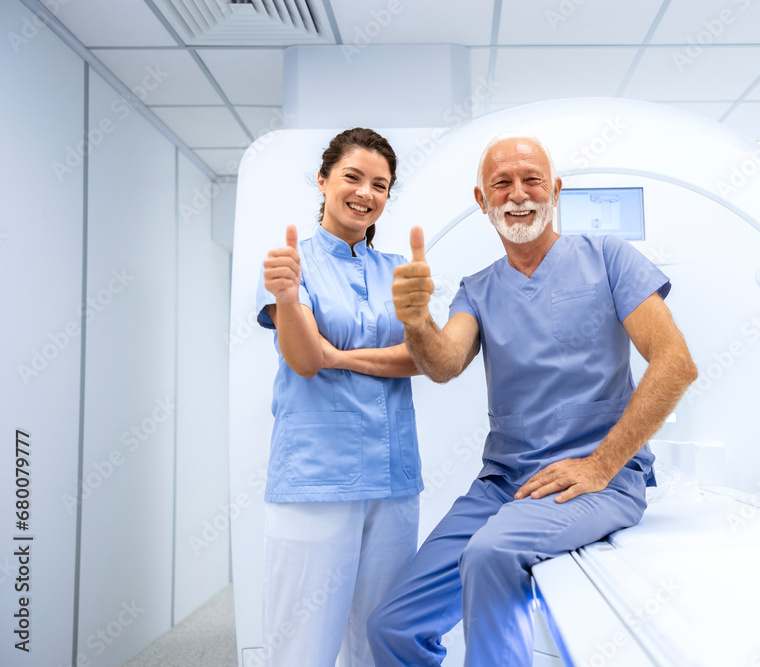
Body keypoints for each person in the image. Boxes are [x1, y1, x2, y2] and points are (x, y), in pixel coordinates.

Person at [367, 133, 698, 666]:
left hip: (597, 479)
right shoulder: (477, 289)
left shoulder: (609, 259)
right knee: (391, 628)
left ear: (555, 191)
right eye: (502, 183)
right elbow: (444, 363)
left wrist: (600, 465)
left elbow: (676, 364)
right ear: (483, 200)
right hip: (504, 484)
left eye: (531, 180)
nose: (518, 194)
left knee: (491, 553)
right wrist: (415, 321)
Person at [256, 128, 423, 667]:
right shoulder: (292, 265)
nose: (366, 193)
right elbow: (305, 359)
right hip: (317, 478)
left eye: (381, 184)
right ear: (324, 180)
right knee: (301, 644)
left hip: (394, 481)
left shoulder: (397, 269)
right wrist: (286, 298)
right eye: (353, 177)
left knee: (380, 639)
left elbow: (420, 360)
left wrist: (340, 356)